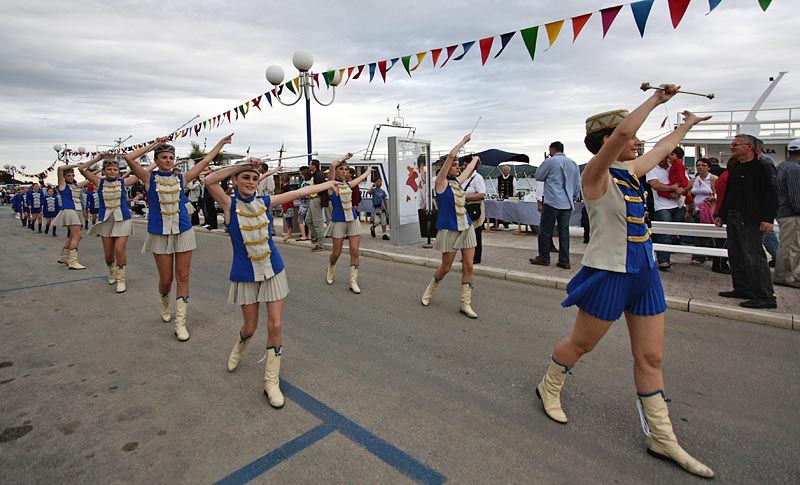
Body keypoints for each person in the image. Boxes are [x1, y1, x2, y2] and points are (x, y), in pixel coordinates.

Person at [533, 86, 715, 478]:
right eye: (632, 136)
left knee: (651, 357)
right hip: (609, 272)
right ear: (607, 142)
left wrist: (686, 126)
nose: (638, 141)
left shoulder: (632, 173)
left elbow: (664, 148)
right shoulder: (594, 175)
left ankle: (662, 437)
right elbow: (620, 137)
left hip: (644, 273)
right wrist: (654, 101)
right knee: (581, 344)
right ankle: (549, 385)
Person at [204, 159, 339, 408]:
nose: (250, 183)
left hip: (273, 270)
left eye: (254, 179)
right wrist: (242, 165)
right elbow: (209, 181)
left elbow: (299, 192)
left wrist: (329, 182)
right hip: (245, 274)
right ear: (234, 180)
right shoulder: (228, 204)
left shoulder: (265, 202)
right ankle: (240, 346)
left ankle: (271, 381)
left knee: (275, 325)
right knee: (250, 327)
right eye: (245, 178)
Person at [125, 133, 233, 341]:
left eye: (170, 157)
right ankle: (164, 300)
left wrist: (220, 143)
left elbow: (205, 161)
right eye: (163, 157)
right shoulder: (149, 178)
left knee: (183, 277)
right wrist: (154, 144)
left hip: (183, 231)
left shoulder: (182, 179)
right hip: (160, 233)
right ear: (156, 160)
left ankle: (180, 323)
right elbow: (130, 159)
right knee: (166, 280)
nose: (167, 160)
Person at [715, 134, 778, 309]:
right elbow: (730, 193)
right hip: (734, 216)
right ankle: (742, 288)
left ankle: (765, 296)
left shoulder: (762, 167)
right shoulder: (735, 167)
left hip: (751, 218)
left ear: (749, 147)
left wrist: (767, 218)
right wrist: (722, 213)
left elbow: (771, 194)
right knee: (735, 254)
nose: (732, 147)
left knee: (754, 257)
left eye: (736, 144)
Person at [420, 134, 480, 318]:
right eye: (454, 165)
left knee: (469, 266)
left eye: (457, 165)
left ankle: (465, 304)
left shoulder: (457, 183)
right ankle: (429, 290)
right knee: (446, 267)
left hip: (466, 227)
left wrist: (476, 159)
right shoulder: (440, 183)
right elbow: (451, 156)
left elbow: (469, 169)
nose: (457, 166)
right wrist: (463, 142)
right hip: (449, 229)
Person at [78, 155, 147, 293]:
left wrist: (136, 161)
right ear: (104, 171)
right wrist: (99, 157)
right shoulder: (98, 182)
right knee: (109, 254)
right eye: (109, 169)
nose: (112, 172)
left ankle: (121, 280)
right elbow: (82, 169)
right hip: (106, 220)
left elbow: (144, 173)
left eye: (115, 169)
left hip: (123, 219)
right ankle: (112, 271)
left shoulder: (124, 182)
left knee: (119, 250)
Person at [530, 141, 581, 270]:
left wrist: (545, 161)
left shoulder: (550, 162)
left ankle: (544, 257)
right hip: (567, 202)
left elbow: (538, 176)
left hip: (552, 200)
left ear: (552, 149)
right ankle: (564, 260)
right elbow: (577, 183)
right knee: (564, 232)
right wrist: (573, 197)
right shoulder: (573, 163)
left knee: (545, 230)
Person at [325, 153, 371, 293]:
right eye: (341, 169)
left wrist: (369, 171)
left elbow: (360, 178)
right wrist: (345, 157)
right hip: (338, 220)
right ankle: (331, 267)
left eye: (346, 169)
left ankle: (353, 281)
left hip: (353, 219)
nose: (344, 171)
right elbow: (332, 165)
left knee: (355, 251)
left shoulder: (349, 185)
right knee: (336, 253)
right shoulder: (331, 185)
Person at [646, 156, 685, 271]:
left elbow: (686, 181)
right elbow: (655, 185)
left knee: (675, 233)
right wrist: (672, 188)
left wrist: (681, 190)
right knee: (664, 233)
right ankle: (664, 260)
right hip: (662, 206)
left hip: (678, 204)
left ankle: (667, 255)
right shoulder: (653, 169)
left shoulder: (676, 166)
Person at [54, 162, 93, 269]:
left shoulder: (75, 185)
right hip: (70, 210)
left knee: (73, 236)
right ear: (64, 177)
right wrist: (76, 165)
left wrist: (97, 171)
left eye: (73, 175)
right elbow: (60, 168)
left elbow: (89, 179)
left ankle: (64, 256)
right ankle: (73, 261)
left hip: (78, 211)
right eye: (68, 176)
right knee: (77, 236)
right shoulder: (62, 185)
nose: (71, 177)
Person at [773, 139, 800, 288]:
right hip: (791, 213)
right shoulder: (796, 169)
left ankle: (786, 274)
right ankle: (786, 276)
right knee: (792, 246)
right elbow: (796, 196)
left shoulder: (782, 166)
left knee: (787, 244)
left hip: (783, 211)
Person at [687, 158, 718, 265]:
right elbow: (687, 193)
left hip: (709, 209)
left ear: (709, 167)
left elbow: (719, 193)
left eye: (704, 165)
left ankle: (700, 255)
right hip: (696, 209)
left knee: (706, 232)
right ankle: (705, 253)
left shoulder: (713, 179)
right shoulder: (693, 180)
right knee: (699, 232)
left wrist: (714, 198)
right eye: (698, 165)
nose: (700, 167)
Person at [461, 157, 485, 264]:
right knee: (466, 233)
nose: (464, 167)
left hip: (474, 206)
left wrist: (466, 197)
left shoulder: (477, 177)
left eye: (466, 165)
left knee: (476, 232)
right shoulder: (464, 178)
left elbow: (482, 193)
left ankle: (476, 257)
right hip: (465, 207)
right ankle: (468, 256)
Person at [306, 159, 329, 251]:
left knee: (317, 222)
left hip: (317, 199)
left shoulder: (319, 176)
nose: (309, 166)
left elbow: (321, 188)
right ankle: (315, 237)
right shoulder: (314, 175)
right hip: (313, 199)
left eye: (310, 164)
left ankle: (321, 243)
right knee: (308, 220)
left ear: (314, 166)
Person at [490, 164, 514, 231]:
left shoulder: (512, 178)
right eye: (504, 170)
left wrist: (512, 195)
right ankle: (496, 223)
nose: (505, 171)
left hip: (509, 197)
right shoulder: (499, 178)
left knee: (507, 210)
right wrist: (497, 195)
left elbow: (515, 188)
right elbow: (496, 187)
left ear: (509, 171)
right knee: (497, 210)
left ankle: (506, 223)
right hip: (500, 198)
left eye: (507, 170)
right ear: (502, 171)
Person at [295, 166, 311, 241]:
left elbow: (304, 193)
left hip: (304, 203)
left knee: (300, 219)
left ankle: (304, 235)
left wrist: (298, 196)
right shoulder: (311, 181)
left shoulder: (305, 183)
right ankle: (309, 235)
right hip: (310, 202)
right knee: (309, 219)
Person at [279, 173, 294, 241]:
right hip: (288, 205)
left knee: (288, 220)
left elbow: (285, 199)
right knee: (289, 220)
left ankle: (289, 233)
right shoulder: (288, 188)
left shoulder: (285, 189)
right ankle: (289, 233)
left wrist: (284, 208)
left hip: (287, 206)